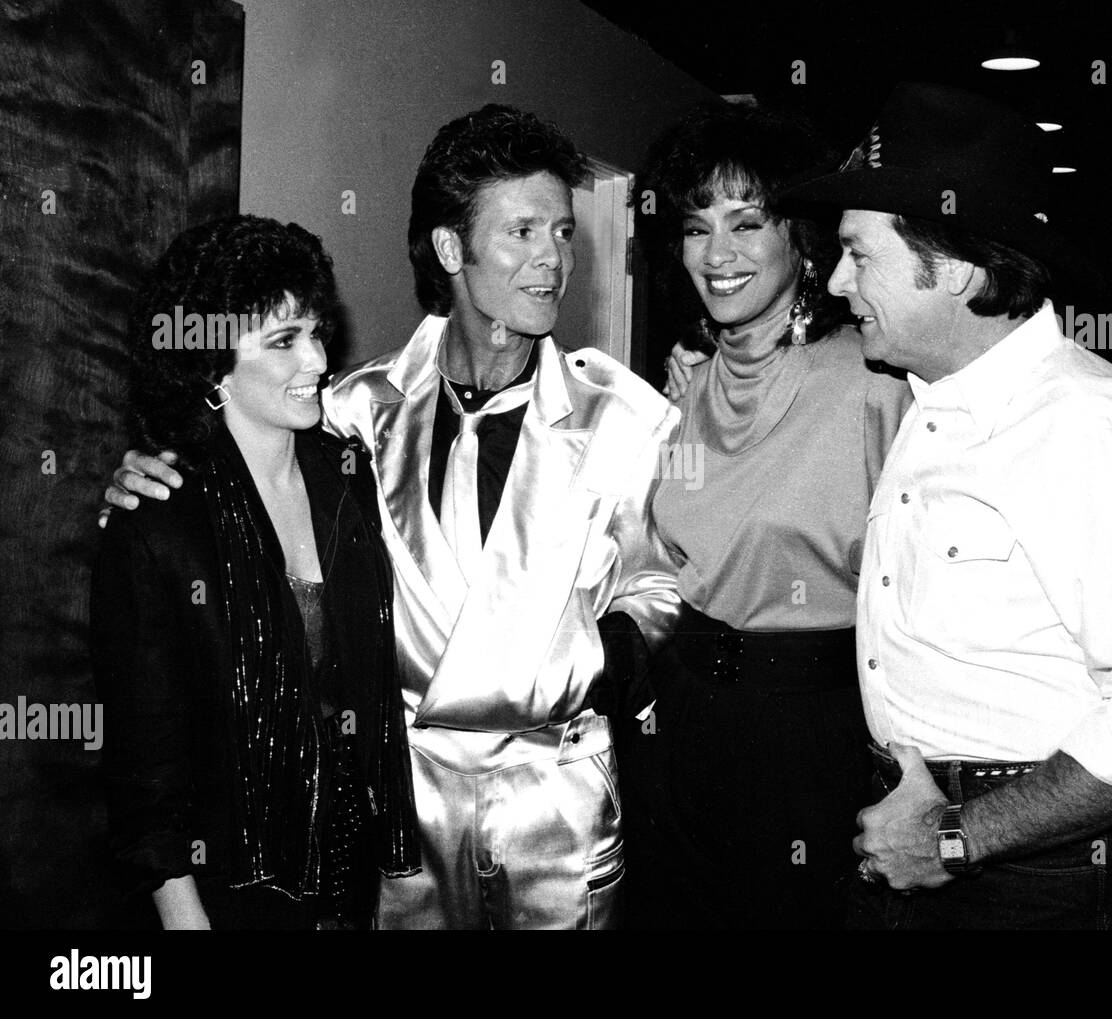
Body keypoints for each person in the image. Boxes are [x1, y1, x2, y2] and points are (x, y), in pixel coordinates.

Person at [104, 105, 680, 929]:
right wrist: (147, 470)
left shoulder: (622, 414)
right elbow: (237, 432)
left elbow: (661, 583)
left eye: (561, 231)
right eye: (521, 232)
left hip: (559, 801)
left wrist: (588, 653)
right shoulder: (357, 408)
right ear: (451, 250)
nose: (551, 259)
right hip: (402, 809)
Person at [782, 81, 1112, 929]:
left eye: (859, 253)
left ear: (950, 266)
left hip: (1034, 867)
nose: (838, 280)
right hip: (914, 827)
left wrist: (958, 837)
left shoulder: (1084, 428)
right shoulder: (931, 397)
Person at [619, 102, 912, 929]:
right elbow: (658, 549)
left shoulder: (873, 381)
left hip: (806, 734)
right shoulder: (681, 393)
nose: (718, 254)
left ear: (803, 240)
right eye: (695, 226)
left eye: (748, 222)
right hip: (675, 721)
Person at [92, 215, 420, 930]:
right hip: (233, 886)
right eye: (283, 340)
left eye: (315, 330)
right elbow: (145, 781)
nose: (317, 359)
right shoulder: (158, 526)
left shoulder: (347, 479)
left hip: (352, 860)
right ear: (211, 365)